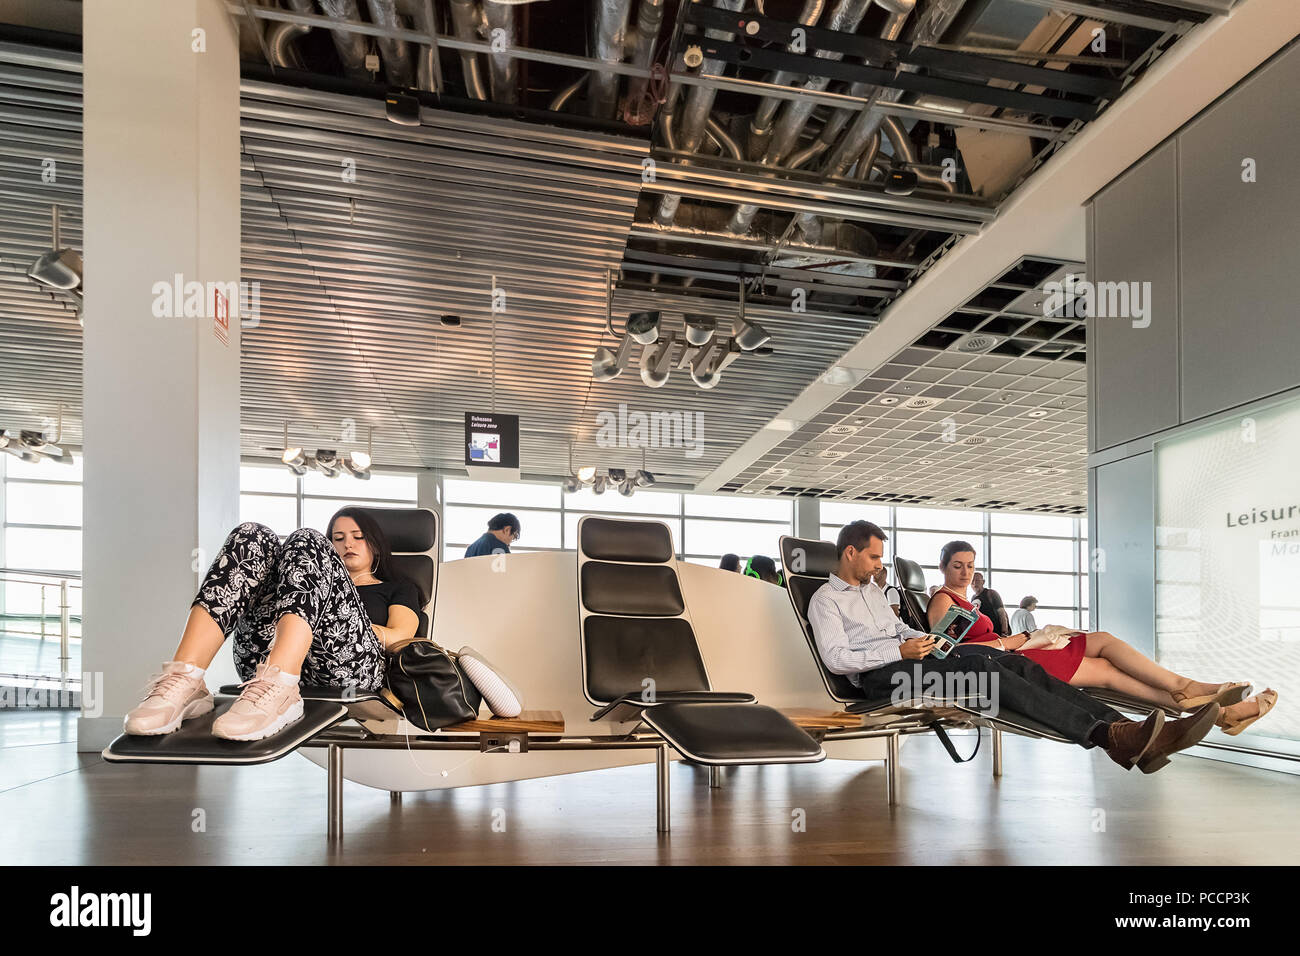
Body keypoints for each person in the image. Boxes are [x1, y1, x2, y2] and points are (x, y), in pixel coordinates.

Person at [806, 521, 1224, 774]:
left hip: (913, 659)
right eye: (874, 557)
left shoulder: (873, 593)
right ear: (850, 552)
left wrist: (917, 640)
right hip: (884, 680)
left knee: (1005, 660)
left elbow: (893, 628)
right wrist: (900, 652)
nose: (879, 564)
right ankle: (1108, 736)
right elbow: (837, 659)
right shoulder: (825, 600)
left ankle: (1131, 732)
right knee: (988, 677)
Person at [123, 508, 426, 742]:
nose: (347, 543)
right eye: (338, 538)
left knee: (305, 538)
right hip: (263, 662)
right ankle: (185, 679)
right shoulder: (306, 574)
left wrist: (334, 616)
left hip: (349, 667)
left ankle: (282, 686)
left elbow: (399, 637)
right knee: (252, 536)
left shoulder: (397, 587)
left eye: (358, 536)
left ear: (375, 543)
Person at [927, 539, 1276, 734]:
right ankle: (1193, 690)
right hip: (1011, 662)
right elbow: (949, 652)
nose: (965, 571)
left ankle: (1215, 710)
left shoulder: (967, 603)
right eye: (958, 565)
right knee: (1106, 649)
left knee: (1109, 669)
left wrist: (1030, 638)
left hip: (1017, 653)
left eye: (970, 565)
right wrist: (1018, 640)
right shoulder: (943, 601)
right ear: (943, 567)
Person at [971, 572, 1010, 637]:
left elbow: (1002, 613)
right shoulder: (973, 598)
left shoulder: (991, 593)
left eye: (977, 580)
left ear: (983, 582)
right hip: (983, 634)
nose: (974, 583)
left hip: (996, 633)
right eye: (972, 581)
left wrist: (1004, 632)